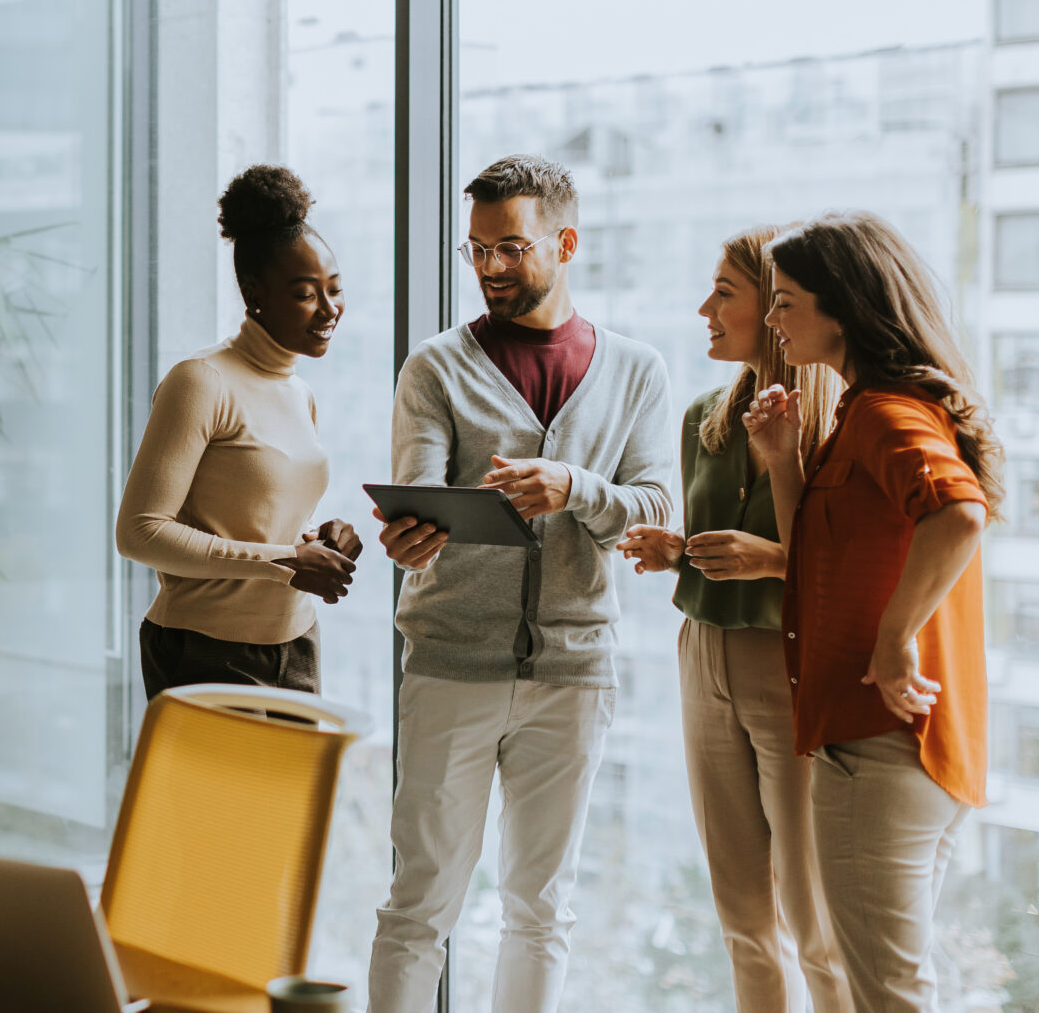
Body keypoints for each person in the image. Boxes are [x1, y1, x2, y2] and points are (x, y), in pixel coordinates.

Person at [367, 154, 673, 1013]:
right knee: (419, 905)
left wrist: (573, 486)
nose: (490, 269)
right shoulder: (435, 368)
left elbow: (651, 506)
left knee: (541, 908)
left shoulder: (636, 370)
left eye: (510, 248)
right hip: (449, 664)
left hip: (573, 673)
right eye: (476, 251)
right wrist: (412, 539)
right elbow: (422, 496)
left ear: (565, 242)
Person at [744, 212, 998, 1011]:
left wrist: (895, 641)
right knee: (888, 984)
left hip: (880, 743)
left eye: (786, 303)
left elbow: (958, 513)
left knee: (884, 993)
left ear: (842, 307)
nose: (774, 323)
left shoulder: (887, 413)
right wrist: (784, 463)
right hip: (898, 748)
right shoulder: (868, 410)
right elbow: (814, 561)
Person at [616, 225, 851, 1013]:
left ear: (775, 307)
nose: (704, 309)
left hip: (784, 667)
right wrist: (675, 549)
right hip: (702, 655)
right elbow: (722, 546)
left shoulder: (833, 428)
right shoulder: (701, 422)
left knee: (813, 915)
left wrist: (770, 559)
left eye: (725, 293)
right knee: (741, 913)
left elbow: (844, 566)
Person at [115, 165, 361, 700]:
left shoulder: (300, 392)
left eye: (335, 289)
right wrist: (285, 562)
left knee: (295, 791)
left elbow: (261, 517)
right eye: (304, 293)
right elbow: (139, 533)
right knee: (219, 792)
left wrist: (316, 539)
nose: (328, 309)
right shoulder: (200, 381)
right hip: (204, 649)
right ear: (255, 293)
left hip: (297, 645)